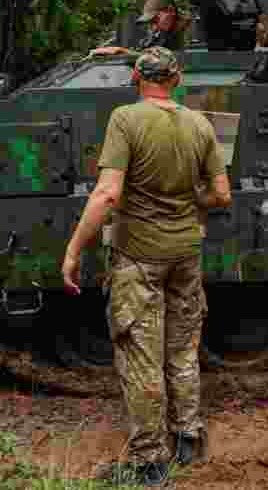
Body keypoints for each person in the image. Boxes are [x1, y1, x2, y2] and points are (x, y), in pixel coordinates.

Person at [61, 46, 232, 487]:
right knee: (181, 350)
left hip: (140, 257)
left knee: (141, 357)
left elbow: (107, 194)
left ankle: (149, 463)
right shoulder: (200, 123)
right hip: (186, 255)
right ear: (176, 80)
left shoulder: (126, 119)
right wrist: (188, 201)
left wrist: (74, 250)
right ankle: (189, 438)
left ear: (137, 77)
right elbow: (221, 195)